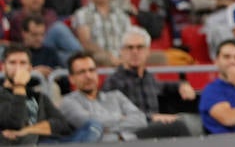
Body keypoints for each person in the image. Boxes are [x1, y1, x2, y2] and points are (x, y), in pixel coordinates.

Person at [60, 52, 190, 141]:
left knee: (177, 125)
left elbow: (140, 119)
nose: (88, 76)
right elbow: (93, 125)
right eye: (82, 72)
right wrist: (122, 118)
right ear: (72, 79)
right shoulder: (68, 102)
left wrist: (112, 129)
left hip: (130, 140)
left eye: (91, 70)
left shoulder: (115, 96)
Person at [101, 26, 202, 135]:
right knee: (179, 126)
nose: (135, 52)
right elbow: (112, 117)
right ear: (121, 52)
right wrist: (152, 117)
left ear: (147, 51)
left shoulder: (148, 78)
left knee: (191, 121)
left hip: (154, 131)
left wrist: (183, 85)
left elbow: (165, 86)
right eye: (130, 48)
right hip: (131, 133)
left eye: (140, 47)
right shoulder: (113, 82)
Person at [0, 44, 102, 146]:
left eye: (23, 63)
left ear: (30, 68)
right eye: (12, 63)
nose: (18, 68)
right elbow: (15, 123)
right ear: (3, 67)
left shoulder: (38, 96)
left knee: (93, 126)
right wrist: (19, 86)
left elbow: (62, 125)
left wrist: (27, 130)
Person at [71, 0, 133, 67]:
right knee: (103, 58)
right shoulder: (82, 14)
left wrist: (125, 57)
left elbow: (131, 38)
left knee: (159, 57)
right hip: (101, 57)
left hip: (125, 55)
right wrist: (110, 56)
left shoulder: (121, 14)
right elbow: (86, 42)